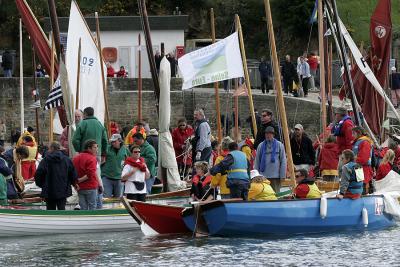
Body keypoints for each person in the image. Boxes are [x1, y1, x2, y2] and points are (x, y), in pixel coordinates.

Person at [34, 142, 78, 210]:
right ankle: (62, 220)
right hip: (63, 189)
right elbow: (72, 174)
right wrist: (74, 183)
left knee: (50, 210)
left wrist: (41, 185)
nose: (48, 150)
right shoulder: (67, 160)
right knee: (62, 208)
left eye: (49, 148)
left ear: (52, 148)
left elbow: (38, 174)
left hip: (49, 190)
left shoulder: (45, 160)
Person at [254, 126, 287, 193]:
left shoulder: (279, 145)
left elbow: (283, 161)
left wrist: (282, 175)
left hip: (276, 177)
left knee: (276, 194)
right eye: (266, 133)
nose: (268, 135)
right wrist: (256, 175)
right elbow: (257, 161)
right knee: (264, 194)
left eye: (270, 133)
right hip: (263, 177)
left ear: (273, 134)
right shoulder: (260, 145)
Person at [73, 140, 103, 210]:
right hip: (90, 186)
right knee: (92, 207)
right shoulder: (92, 158)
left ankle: (83, 220)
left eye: (97, 147)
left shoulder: (76, 158)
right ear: (89, 148)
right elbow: (91, 174)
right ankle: (92, 221)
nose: (97, 149)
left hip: (79, 187)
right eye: (94, 147)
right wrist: (80, 180)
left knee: (83, 208)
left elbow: (72, 171)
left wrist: (76, 181)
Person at [101, 134, 130, 198]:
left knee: (119, 198)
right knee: (106, 197)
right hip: (106, 176)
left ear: (120, 141)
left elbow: (129, 162)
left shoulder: (125, 149)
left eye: (114, 141)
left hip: (119, 178)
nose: (113, 143)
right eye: (112, 142)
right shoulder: (107, 148)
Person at [352, 126, 373, 194]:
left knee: (362, 188)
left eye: (353, 133)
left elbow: (363, 158)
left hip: (363, 169)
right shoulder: (358, 142)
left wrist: (352, 159)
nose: (352, 135)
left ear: (359, 133)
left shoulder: (365, 142)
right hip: (359, 168)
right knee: (359, 188)